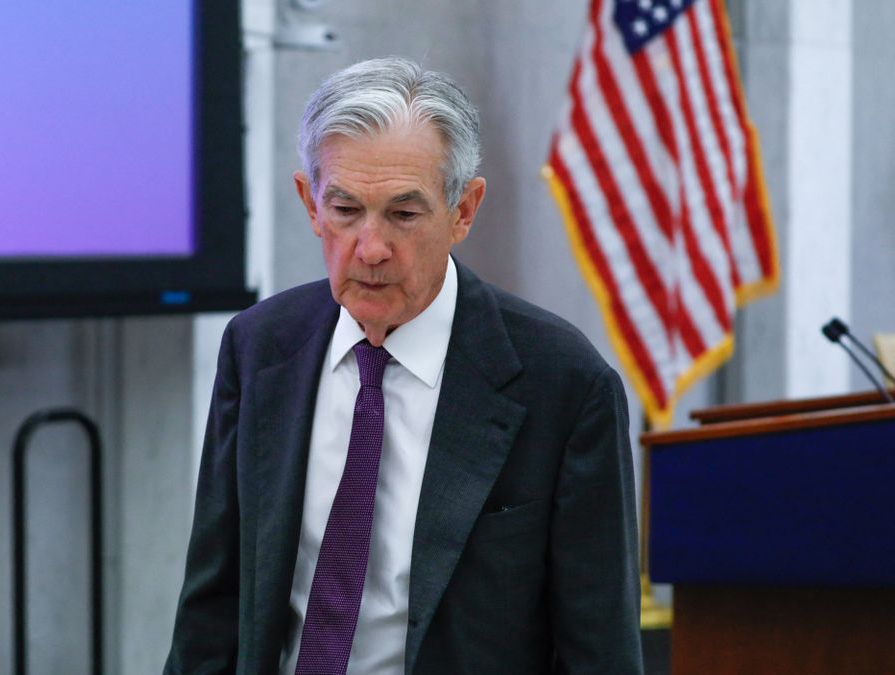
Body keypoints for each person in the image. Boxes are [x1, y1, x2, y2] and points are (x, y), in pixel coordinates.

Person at [166, 57, 642, 674]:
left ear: (463, 210)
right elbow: (212, 608)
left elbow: (599, 650)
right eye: (345, 210)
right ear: (310, 204)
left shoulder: (564, 384)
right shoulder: (259, 347)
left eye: (403, 214)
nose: (370, 249)